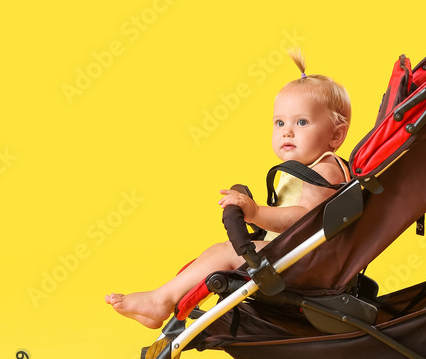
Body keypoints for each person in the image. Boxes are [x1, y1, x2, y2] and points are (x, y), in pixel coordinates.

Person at [104, 51, 351, 328]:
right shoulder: (310, 165)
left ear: (336, 135)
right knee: (218, 252)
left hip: (306, 265)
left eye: (301, 122)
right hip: (293, 255)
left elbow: (304, 218)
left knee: (225, 253)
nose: (287, 132)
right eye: (279, 122)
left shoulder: (324, 169)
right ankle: (166, 300)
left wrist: (255, 212)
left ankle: (160, 302)